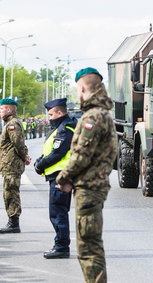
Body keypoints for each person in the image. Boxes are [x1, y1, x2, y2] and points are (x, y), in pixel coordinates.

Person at [56, 67, 117, 282]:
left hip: (89, 189)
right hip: (93, 187)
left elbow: (82, 154)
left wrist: (63, 177)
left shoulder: (93, 117)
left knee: (89, 248)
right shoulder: (103, 114)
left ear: (82, 88)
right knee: (90, 245)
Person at [34, 98, 77, 259]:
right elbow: (51, 150)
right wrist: (40, 160)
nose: (49, 118)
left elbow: (58, 153)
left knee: (58, 212)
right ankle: (61, 245)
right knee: (59, 211)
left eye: (51, 114)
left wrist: (40, 165)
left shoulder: (65, 129)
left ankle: (61, 247)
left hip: (61, 176)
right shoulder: (63, 126)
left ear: (60, 113)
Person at [0, 98, 31, 233]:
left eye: (1, 108)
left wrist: (24, 156)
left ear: (9, 109)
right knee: (9, 192)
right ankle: (12, 222)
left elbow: (18, 143)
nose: (0, 111)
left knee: (11, 193)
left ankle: (14, 223)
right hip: (8, 164)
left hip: (11, 165)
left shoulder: (12, 124)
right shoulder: (9, 123)